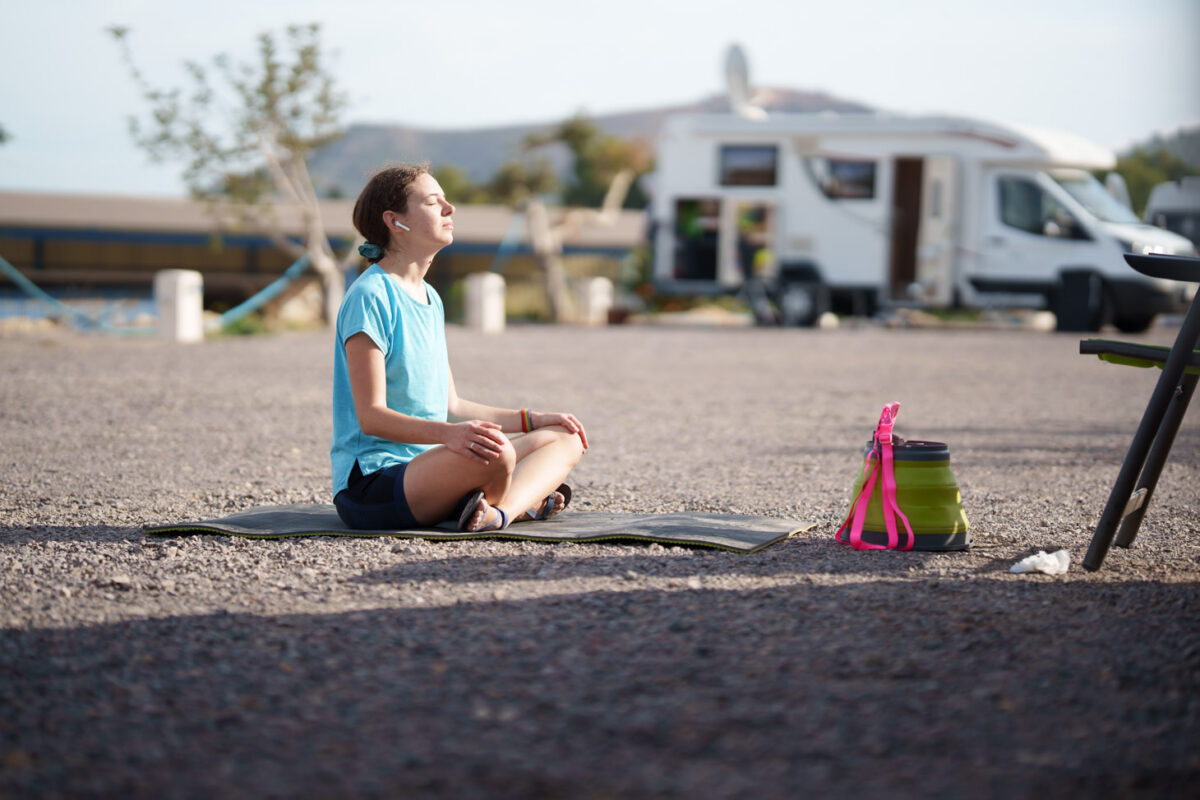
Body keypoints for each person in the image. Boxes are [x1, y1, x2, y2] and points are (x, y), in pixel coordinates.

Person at [331, 162, 588, 532]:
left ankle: (498, 513)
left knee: (566, 438)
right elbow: (372, 417)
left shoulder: (430, 298)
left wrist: (534, 419)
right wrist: (450, 436)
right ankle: (522, 498)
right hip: (375, 484)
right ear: (394, 220)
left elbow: (452, 406)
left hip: (438, 464)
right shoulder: (370, 296)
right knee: (496, 452)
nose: (450, 210)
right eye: (434, 202)